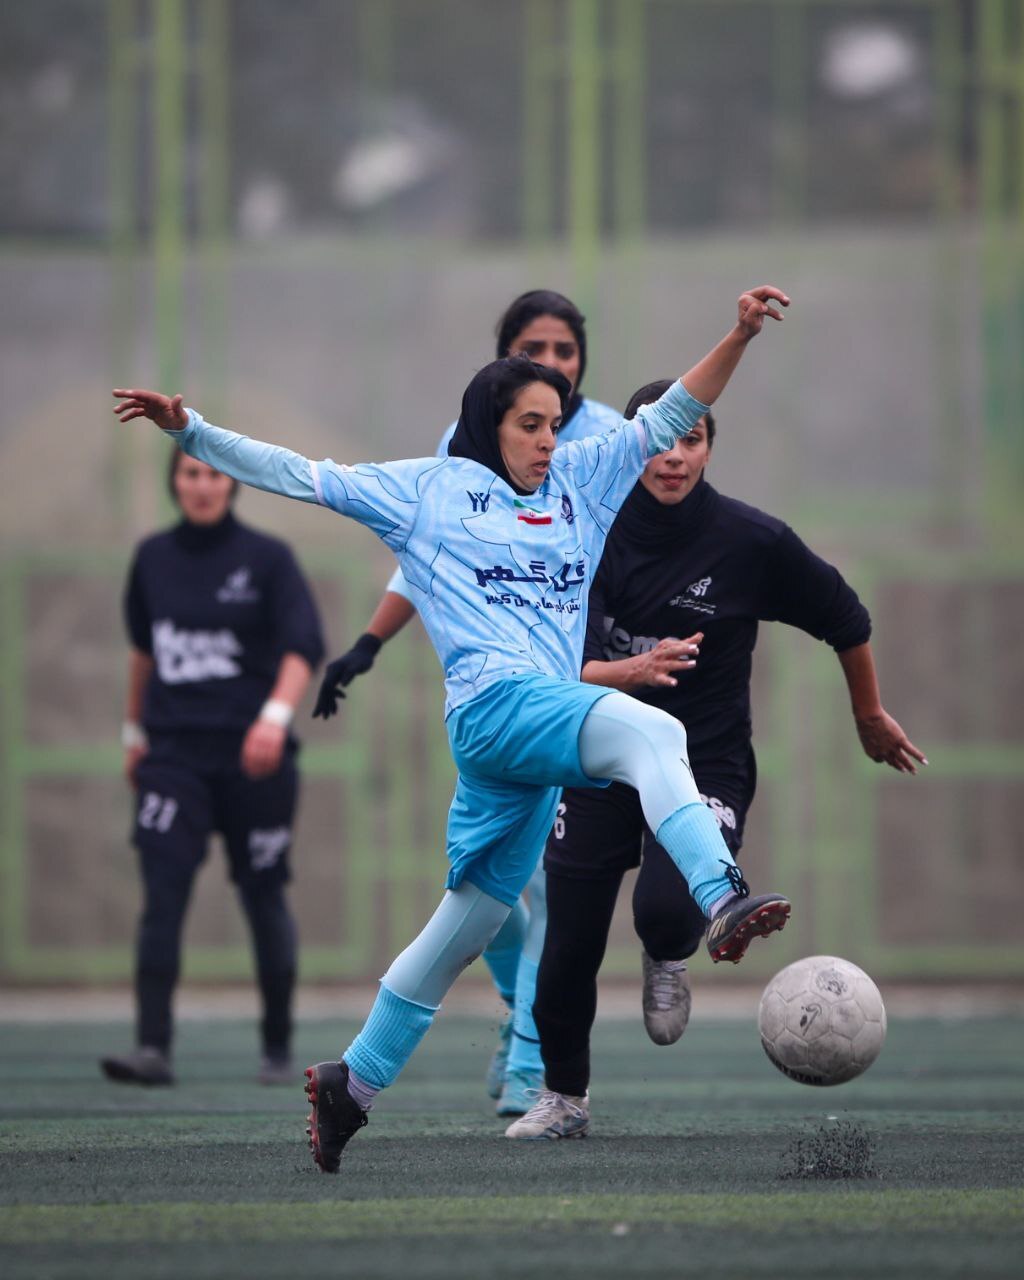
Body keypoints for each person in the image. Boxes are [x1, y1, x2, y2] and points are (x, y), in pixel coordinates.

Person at [112, 282, 793, 1173]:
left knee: (471, 919)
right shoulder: (425, 491)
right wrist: (190, 430)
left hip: (524, 741)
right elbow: (298, 474)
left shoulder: (582, 480)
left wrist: (738, 333)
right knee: (653, 736)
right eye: (530, 425)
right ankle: (721, 896)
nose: (548, 440)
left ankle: (351, 1084)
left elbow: (675, 410)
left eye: (555, 424)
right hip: (492, 708)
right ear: (487, 422)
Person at [505, 381, 926, 1140]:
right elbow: (552, 666)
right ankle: (564, 1098)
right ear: (634, 445)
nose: (673, 456)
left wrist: (868, 715)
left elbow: (845, 616)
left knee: (666, 911)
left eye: (691, 440)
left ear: (708, 449)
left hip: (704, 764)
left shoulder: (749, 542)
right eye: (660, 440)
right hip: (595, 757)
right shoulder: (581, 531)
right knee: (567, 944)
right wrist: (630, 672)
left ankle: (668, 954)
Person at [315, 289, 623, 1117]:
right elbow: (425, 549)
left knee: (556, 886)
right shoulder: (470, 442)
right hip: (501, 684)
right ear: (504, 359)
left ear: (583, 358)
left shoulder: (604, 438)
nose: (552, 363)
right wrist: (369, 642)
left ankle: (530, 1064)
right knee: (494, 892)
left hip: (592, 667)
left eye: (565, 349)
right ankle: (517, 1012)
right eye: (534, 348)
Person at [100, 448, 325, 1086]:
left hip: (254, 756)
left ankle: (277, 1049)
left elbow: (302, 648)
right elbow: (144, 652)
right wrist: (134, 732)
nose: (202, 485)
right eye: (190, 474)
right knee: (162, 891)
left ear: (232, 483)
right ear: (175, 482)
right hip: (173, 756)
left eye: (213, 474)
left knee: (263, 893)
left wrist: (273, 719)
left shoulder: (268, 559)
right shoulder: (152, 558)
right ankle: (152, 1049)